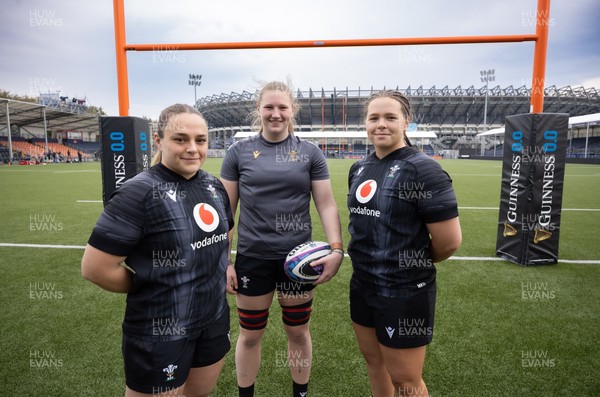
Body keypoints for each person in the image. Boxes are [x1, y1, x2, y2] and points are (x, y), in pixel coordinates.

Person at [81, 104, 233, 397]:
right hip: (160, 329)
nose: (192, 148)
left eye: (200, 140)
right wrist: (147, 283)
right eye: (180, 139)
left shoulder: (214, 186)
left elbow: (226, 235)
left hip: (213, 319)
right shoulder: (138, 193)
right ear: (159, 140)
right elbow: (94, 269)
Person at [220, 81, 344, 397]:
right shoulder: (239, 152)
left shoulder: (309, 152)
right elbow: (225, 213)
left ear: (292, 111)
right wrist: (225, 261)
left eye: (282, 107)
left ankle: (299, 394)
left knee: (298, 333)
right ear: (259, 110)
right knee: (250, 335)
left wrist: (336, 249)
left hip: (299, 263)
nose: (276, 114)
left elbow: (326, 203)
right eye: (269, 107)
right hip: (253, 258)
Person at [347, 90, 462, 397]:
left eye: (390, 117)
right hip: (363, 285)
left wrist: (411, 263)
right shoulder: (359, 168)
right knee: (375, 364)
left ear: (406, 122)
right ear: (366, 123)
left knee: (406, 381)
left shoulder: (423, 169)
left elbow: (449, 242)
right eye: (373, 118)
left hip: (403, 291)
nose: (380, 124)